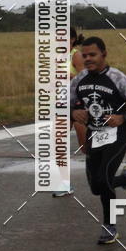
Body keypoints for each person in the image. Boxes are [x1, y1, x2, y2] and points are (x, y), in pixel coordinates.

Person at [71, 37, 126, 244]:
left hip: (117, 135)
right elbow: (64, 104)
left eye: (92, 55)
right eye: (84, 55)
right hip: (94, 135)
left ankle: (109, 226)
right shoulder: (79, 80)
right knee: (96, 187)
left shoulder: (117, 77)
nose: (88, 59)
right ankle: (125, 179)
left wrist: (123, 117)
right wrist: (73, 113)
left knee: (104, 180)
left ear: (104, 54)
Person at [53, 27, 87, 198]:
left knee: (85, 147)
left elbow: (84, 79)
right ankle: (64, 183)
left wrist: (68, 77)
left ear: (72, 39)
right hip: (62, 105)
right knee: (58, 143)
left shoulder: (76, 55)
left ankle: (107, 173)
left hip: (78, 104)